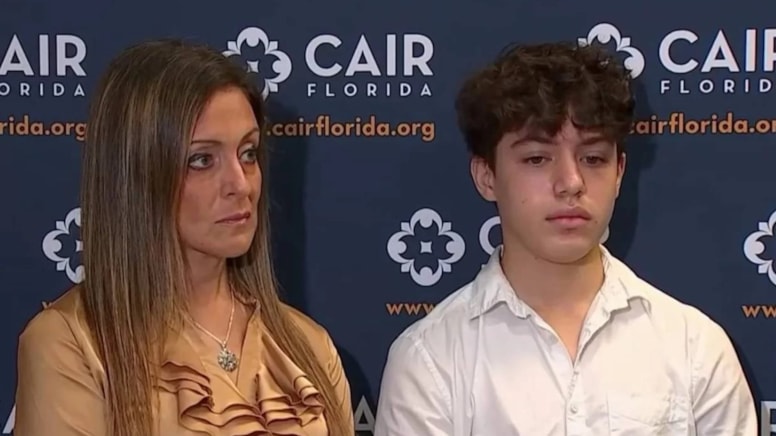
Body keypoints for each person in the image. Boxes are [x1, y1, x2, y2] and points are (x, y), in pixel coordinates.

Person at [373, 41, 757, 435]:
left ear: (620, 172)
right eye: (537, 159)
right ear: (487, 176)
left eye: (593, 158)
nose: (571, 183)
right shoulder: (429, 360)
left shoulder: (695, 348)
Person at [14, 39, 354, 436]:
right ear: (136, 175)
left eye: (248, 153)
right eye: (202, 160)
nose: (241, 184)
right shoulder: (70, 345)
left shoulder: (308, 346)